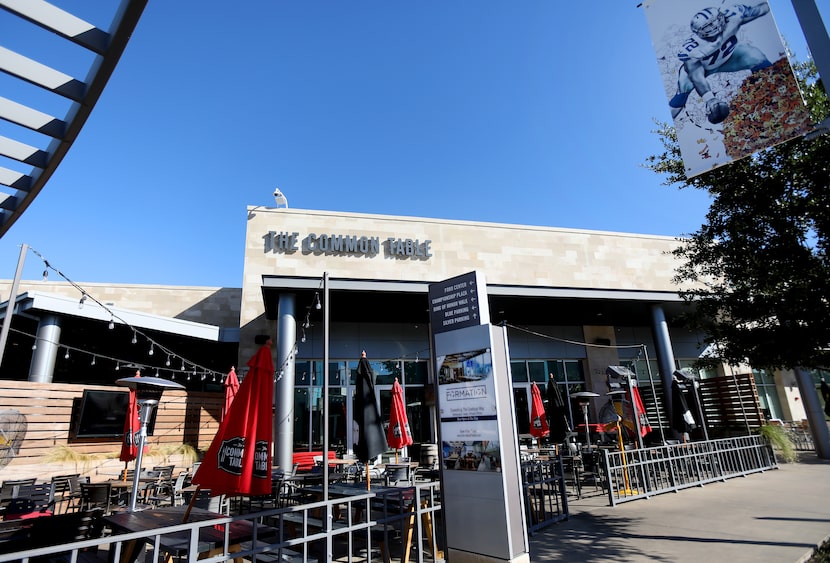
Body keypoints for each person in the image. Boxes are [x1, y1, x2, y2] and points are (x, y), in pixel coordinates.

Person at [669, 3, 772, 123]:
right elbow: (696, 76)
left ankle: (771, 83)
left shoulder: (732, 17)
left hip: (727, 58)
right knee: (683, 90)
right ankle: (667, 122)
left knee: (754, 55)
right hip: (703, 68)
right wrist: (710, 99)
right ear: (699, 32)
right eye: (708, 26)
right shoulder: (692, 49)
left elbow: (761, 9)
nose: (715, 26)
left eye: (717, 20)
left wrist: (769, 6)